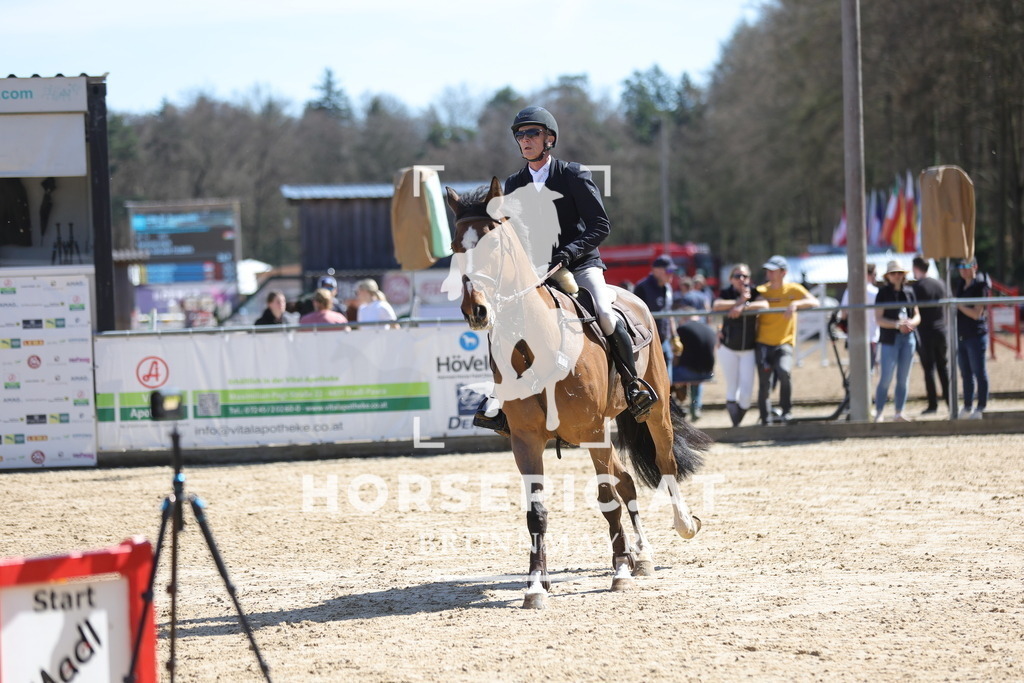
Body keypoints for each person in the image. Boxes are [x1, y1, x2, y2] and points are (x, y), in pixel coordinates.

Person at [474, 105, 655, 433]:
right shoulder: (514, 184)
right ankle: (501, 399)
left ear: (549, 139)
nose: (525, 139)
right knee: (503, 322)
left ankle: (633, 385)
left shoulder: (572, 175)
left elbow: (600, 225)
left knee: (604, 313)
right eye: (520, 135)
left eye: (533, 133)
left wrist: (569, 253)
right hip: (536, 271)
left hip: (580, 263)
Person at [754, 255, 820, 424]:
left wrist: (795, 304)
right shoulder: (761, 290)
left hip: (784, 342)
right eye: (767, 271)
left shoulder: (793, 290)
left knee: (784, 372)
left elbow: (814, 302)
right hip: (763, 343)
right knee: (764, 382)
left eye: (773, 271)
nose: (769, 274)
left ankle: (786, 411)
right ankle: (765, 417)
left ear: (783, 272)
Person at [713, 264, 768, 426]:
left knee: (746, 392)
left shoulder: (754, 292)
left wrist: (744, 306)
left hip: (748, 348)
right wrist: (740, 301)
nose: (741, 279)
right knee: (732, 387)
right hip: (728, 347)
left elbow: (765, 305)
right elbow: (717, 305)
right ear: (731, 279)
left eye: (744, 276)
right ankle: (735, 426)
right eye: (737, 276)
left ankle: (738, 420)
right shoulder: (726, 292)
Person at [873, 260, 920, 422]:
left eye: (900, 273)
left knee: (903, 377)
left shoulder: (909, 291)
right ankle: (879, 412)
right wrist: (896, 325)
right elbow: (879, 319)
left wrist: (910, 324)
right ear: (888, 276)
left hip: (908, 338)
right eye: (893, 273)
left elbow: (917, 315)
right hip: (889, 339)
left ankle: (899, 412)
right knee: (886, 377)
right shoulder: (882, 293)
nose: (897, 276)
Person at [911, 256, 949, 414]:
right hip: (941, 330)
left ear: (916, 268)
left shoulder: (917, 287)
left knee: (929, 368)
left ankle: (933, 404)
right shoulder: (940, 284)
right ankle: (950, 402)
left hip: (925, 332)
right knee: (943, 367)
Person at [954, 257, 990, 418]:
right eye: (960, 266)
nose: (963, 269)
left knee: (979, 372)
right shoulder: (961, 285)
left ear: (975, 267)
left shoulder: (980, 285)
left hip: (976, 335)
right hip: (962, 335)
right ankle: (967, 405)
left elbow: (976, 313)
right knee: (965, 373)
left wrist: (958, 305)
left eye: (966, 266)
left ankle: (981, 406)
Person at [671, 309, 717, 421]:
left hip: (687, 373)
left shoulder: (682, 329)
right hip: (708, 373)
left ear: (684, 318)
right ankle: (696, 406)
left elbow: (676, 353)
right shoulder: (709, 329)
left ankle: (675, 407)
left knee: (667, 372)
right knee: (697, 379)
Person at [633, 255, 677, 368]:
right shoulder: (642, 288)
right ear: (656, 270)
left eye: (672, 271)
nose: (671, 274)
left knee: (668, 377)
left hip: (665, 342)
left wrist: (675, 336)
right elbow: (635, 317)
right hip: (648, 343)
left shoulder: (668, 289)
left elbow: (669, 313)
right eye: (669, 270)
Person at [839, 263, 880, 370]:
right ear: (868, 274)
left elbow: (843, 314)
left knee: (856, 370)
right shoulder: (876, 292)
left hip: (854, 336)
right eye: (874, 274)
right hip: (871, 336)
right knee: (869, 369)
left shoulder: (850, 291)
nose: (876, 277)